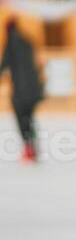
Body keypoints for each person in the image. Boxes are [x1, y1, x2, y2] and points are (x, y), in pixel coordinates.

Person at [0, 18, 43, 163]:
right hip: (34, 88)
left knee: (21, 119)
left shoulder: (11, 42)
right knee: (29, 119)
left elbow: (4, 63)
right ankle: (32, 148)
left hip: (21, 90)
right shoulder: (26, 40)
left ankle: (28, 148)